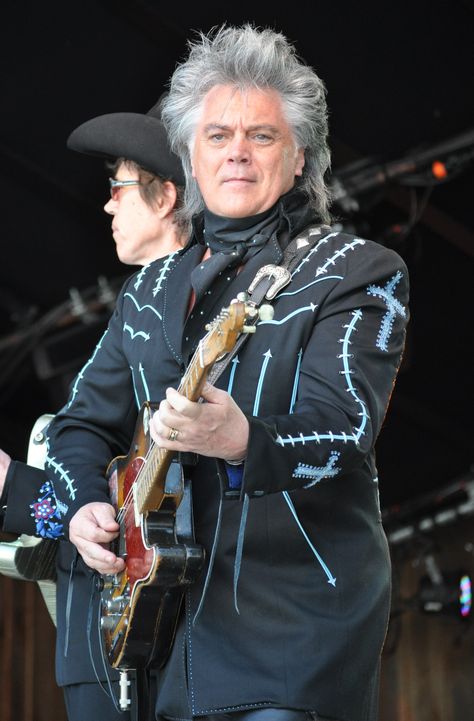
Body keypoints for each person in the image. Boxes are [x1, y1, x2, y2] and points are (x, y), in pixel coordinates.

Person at [45, 23, 410, 721]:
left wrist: (244, 439)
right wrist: (85, 504)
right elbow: (80, 423)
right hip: (170, 639)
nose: (237, 151)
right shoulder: (150, 291)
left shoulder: (354, 272)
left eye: (261, 135)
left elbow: (346, 429)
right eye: (217, 135)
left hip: (295, 635)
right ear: (190, 153)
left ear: (299, 154)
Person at [0, 107, 187, 721]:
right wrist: (31, 493)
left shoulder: (196, 299)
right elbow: (83, 438)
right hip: (109, 633)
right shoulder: (139, 302)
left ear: (167, 198)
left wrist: (18, 491)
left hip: (160, 639)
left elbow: (172, 489)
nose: (106, 205)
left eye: (118, 187)